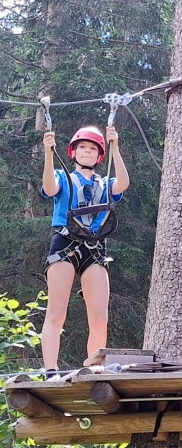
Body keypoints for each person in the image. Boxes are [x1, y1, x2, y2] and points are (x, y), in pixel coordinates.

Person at [41, 126, 130, 375]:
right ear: (74, 151)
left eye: (92, 149)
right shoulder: (63, 177)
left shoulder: (105, 182)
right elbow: (49, 188)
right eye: (83, 147)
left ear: (99, 155)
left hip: (94, 248)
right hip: (66, 244)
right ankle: (51, 370)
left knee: (100, 316)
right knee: (57, 311)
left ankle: (95, 365)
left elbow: (123, 183)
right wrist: (49, 153)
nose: (87, 152)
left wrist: (115, 146)